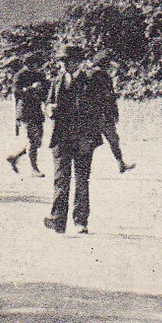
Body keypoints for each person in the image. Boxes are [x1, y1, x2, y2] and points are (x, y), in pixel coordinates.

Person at [44, 45, 116, 235]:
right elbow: (49, 102)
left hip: (83, 137)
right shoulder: (58, 80)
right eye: (62, 61)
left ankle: (80, 221)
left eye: (67, 60)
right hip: (61, 137)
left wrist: (89, 137)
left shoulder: (90, 81)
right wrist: (49, 109)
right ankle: (58, 220)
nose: (64, 64)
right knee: (60, 179)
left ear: (78, 61)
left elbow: (96, 112)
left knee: (81, 180)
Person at [4, 68, 49, 178]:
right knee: (33, 140)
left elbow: (46, 93)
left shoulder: (40, 75)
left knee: (37, 142)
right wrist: (31, 88)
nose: (35, 66)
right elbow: (17, 92)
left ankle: (15, 157)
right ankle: (34, 169)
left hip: (37, 112)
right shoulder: (20, 75)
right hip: (25, 112)